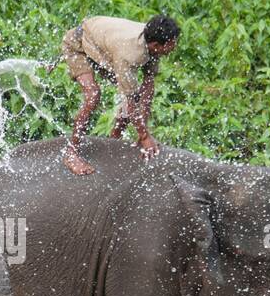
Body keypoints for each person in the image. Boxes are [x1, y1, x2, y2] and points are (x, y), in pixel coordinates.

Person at [58, 14, 180, 175]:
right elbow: (131, 102)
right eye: (172, 44)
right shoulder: (129, 53)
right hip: (79, 44)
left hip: (103, 46)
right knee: (94, 95)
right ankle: (71, 152)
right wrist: (144, 137)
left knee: (133, 95)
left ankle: (112, 142)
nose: (174, 47)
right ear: (157, 45)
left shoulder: (152, 44)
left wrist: (144, 129)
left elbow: (148, 86)